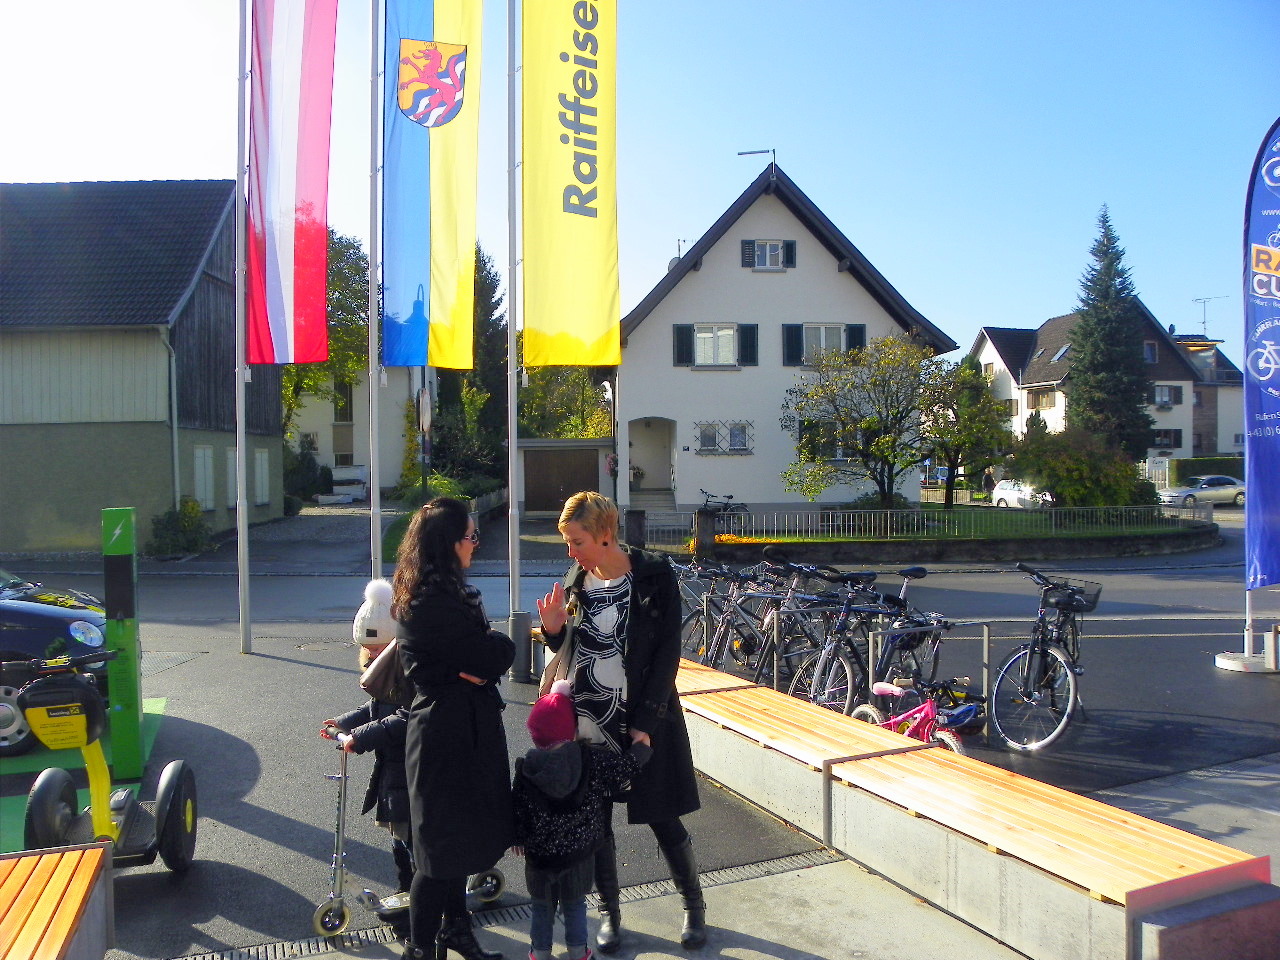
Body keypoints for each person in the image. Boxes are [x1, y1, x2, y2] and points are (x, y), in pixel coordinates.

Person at [536, 491, 705, 953]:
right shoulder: (578, 578)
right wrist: (553, 629)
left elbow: (668, 652)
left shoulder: (652, 574)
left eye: (577, 541)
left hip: (643, 715)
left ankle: (693, 906)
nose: (570, 552)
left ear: (606, 535)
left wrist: (647, 720)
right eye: (567, 542)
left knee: (663, 816)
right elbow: (570, 647)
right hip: (590, 717)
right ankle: (611, 913)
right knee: (598, 823)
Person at [393, 499, 514, 960]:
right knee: (438, 852)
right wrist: (492, 650)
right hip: (443, 737)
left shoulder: (447, 593)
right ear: (448, 543)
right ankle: (421, 949)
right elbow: (489, 655)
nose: (475, 545)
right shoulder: (432, 600)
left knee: (457, 842)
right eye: (470, 536)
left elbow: (480, 660)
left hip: (462, 730)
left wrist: (482, 659)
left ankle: (457, 932)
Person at [512, 679, 651, 960]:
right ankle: (578, 952)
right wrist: (641, 748)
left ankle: (540, 953)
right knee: (575, 906)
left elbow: (517, 809)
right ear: (573, 729)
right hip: (579, 856)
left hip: (539, 859)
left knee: (541, 908)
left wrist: (517, 837)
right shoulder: (591, 761)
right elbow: (623, 769)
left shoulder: (526, 769)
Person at [321, 579, 414, 932]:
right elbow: (376, 708)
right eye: (368, 651)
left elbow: (403, 717)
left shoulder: (407, 674)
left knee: (411, 840)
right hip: (394, 770)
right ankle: (407, 891)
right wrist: (344, 723)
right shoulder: (385, 672)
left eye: (378, 650)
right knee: (400, 841)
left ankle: (419, 897)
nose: (372, 657)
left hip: (411, 769)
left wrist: (358, 737)